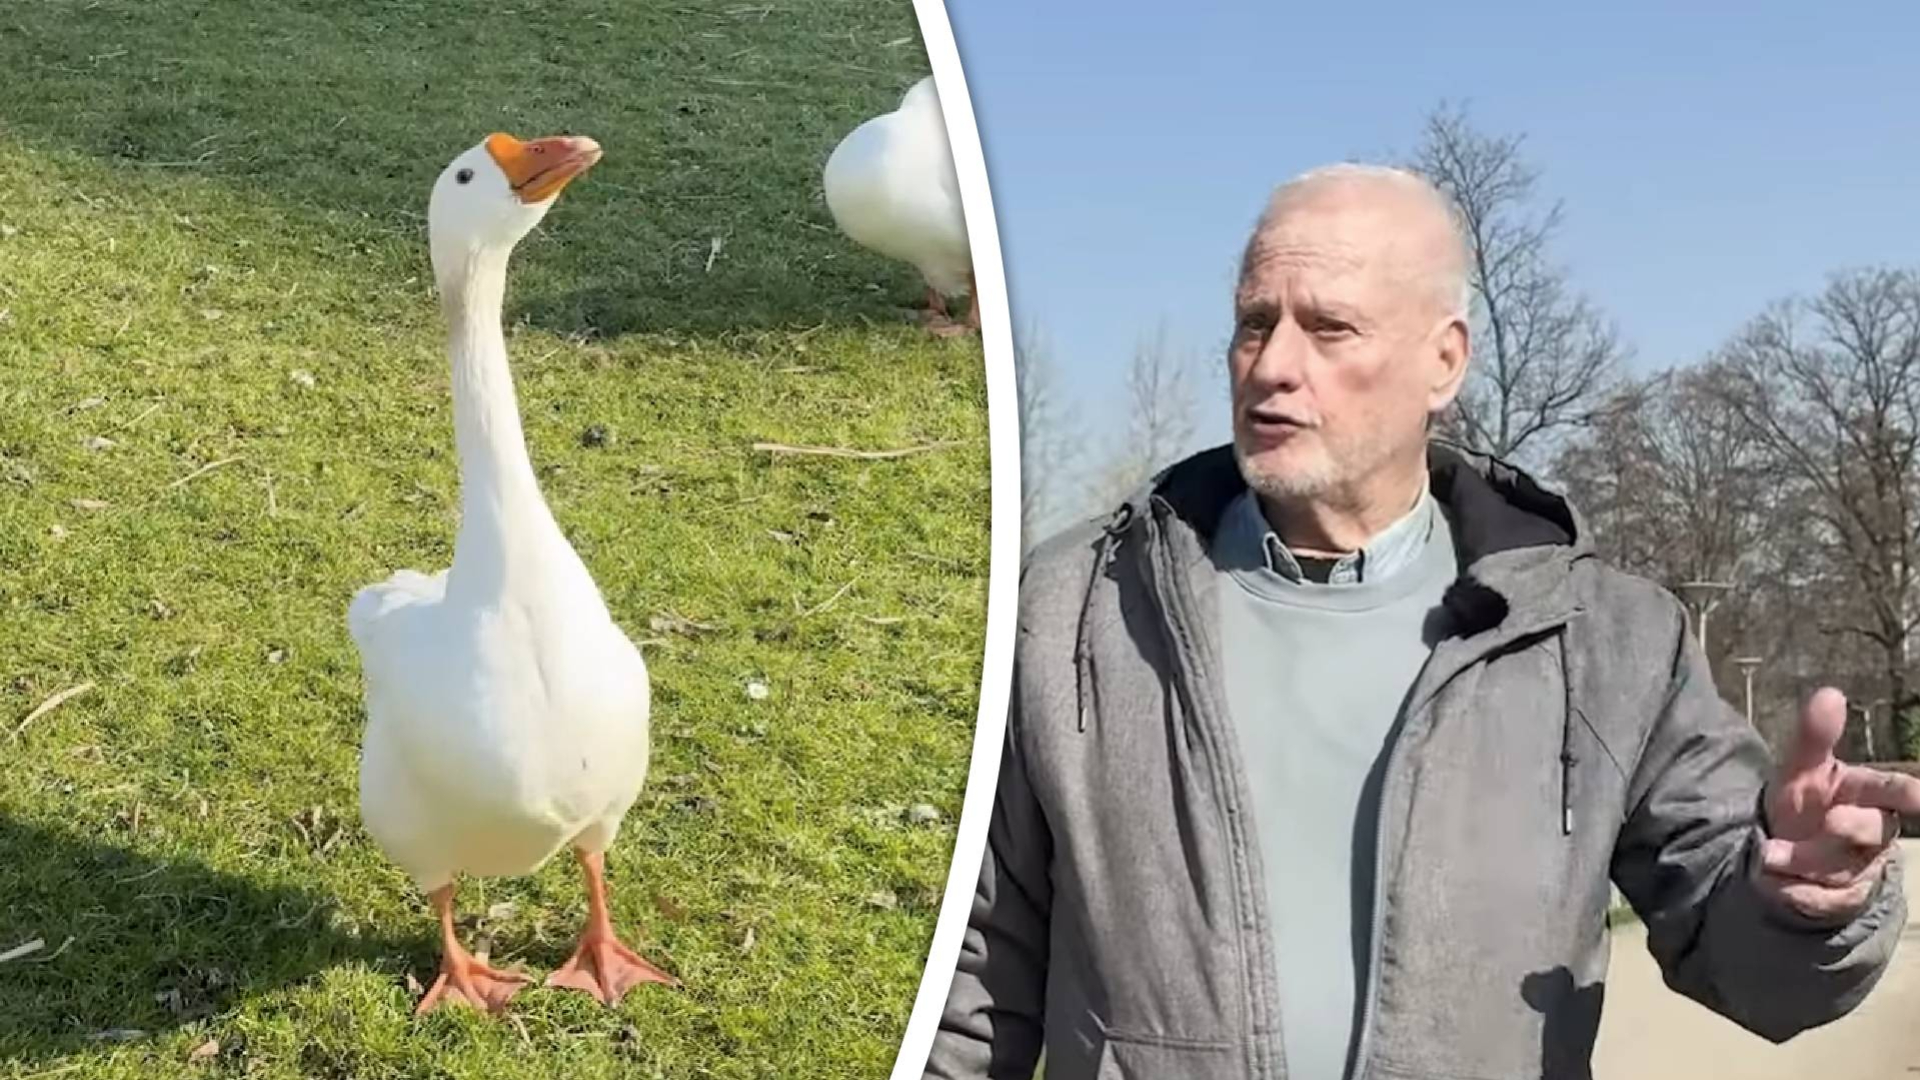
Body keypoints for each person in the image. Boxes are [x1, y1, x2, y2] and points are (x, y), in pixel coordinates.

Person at [927, 164, 1915, 1080]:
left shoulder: (1603, 643)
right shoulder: (1069, 616)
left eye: (1329, 328)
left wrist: (1809, 901)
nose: (1272, 364)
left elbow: (1754, 972)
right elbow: (968, 984)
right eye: (1252, 321)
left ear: (1443, 362)